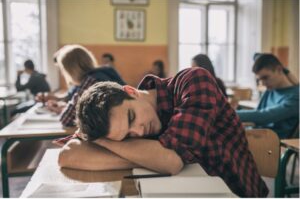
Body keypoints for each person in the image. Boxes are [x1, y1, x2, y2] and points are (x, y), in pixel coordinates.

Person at [58, 68, 268, 197]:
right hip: (183, 190)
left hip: (236, 191)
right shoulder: (124, 126)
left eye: (131, 117)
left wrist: (107, 143)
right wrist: (148, 156)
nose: (139, 132)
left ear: (131, 91)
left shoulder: (193, 81)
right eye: (127, 136)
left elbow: (171, 162)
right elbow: (68, 155)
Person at [40, 44, 126, 127]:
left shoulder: (90, 81)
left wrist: (58, 110)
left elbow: (66, 119)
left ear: (70, 70)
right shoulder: (104, 72)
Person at [237, 54, 299, 138]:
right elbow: (258, 113)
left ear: (279, 70)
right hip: (259, 136)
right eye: (260, 79)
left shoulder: (296, 96)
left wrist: (229, 113)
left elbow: (263, 116)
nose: (262, 83)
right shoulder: (270, 90)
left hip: (273, 144)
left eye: (265, 77)